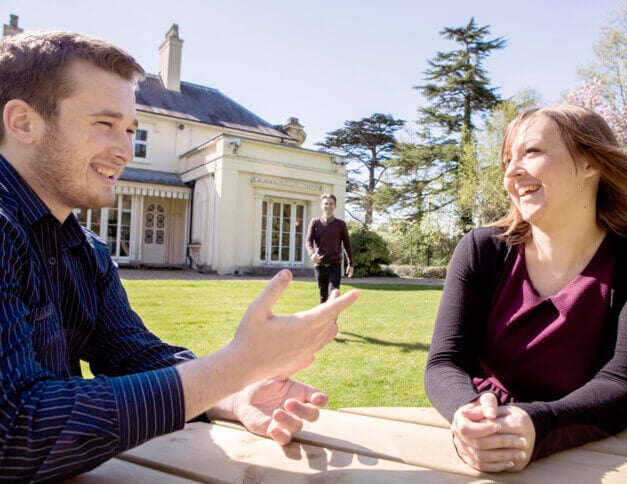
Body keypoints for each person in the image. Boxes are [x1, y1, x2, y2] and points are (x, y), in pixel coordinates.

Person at [0, 31, 360, 481]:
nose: (127, 150)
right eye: (104, 124)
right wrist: (234, 366)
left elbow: (131, 352)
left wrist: (230, 394)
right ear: (23, 122)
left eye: (131, 130)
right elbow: (15, 431)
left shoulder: (84, 250)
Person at [425, 104, 627, 473]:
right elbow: (444, 363)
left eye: (532, 152)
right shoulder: (481, 249)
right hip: (486, 440)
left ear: (590, 164)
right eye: (507, 159)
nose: (512, 171)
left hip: (587, 451)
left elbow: (622, 385)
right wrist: (470, 411)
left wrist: (537, 425)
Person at [305, 193, 354, 303]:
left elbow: (347, 244)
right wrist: (312, 254)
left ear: (335, 206)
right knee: (323, 297)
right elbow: (308, 241)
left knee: (333, 295)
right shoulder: (315, 222)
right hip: (320, 265)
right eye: (326, 203)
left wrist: (350, 264)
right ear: (321, 205)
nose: (328, 206)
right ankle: (323, 321)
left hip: (335, 266)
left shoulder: (340, 224)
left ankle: (332, 321)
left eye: (331, 203)